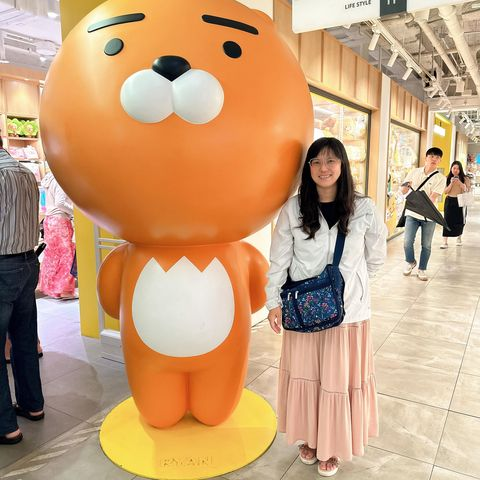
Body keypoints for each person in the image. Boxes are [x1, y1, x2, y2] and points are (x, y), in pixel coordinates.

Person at [265, 137, 387, 476]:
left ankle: (332, 445)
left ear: (343, 165)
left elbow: (376, 255)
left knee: (337, 381)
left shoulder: (363, 208)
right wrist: (273, 302)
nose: (324, 168)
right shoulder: (294, 209)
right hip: (305, 311)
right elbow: (279, 259)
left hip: (348, 315)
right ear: (308, 168)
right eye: (316, 161)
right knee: (308, 376)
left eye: (331, 161)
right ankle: (310, 437)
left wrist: (355, 286)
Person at [0, 138, 45, 445]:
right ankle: (33, 405)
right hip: (28, 262)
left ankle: (6, 426)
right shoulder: (25, 173)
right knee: (25, 339)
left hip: (3, 266)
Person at [400, 147, 446, 281]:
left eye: (437, 157)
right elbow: (403, 191)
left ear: (440, 160)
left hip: (429, 216)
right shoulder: (414, 172)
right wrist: (406, 187)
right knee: (407, 242)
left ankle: (422, 269)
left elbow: (432, 198)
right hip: (412, 213)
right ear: (426, 158)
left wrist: (415, 196)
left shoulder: (441, 178)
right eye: (431, 156)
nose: (434, 159)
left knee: (426, 245)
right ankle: (410, 261)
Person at [38, 172, 76, 299]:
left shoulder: (49, 179)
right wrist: (75, 212)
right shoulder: (61, 180)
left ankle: (52, 288)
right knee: (67, 254)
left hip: (49, 220)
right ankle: (64, 290)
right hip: (60, 221)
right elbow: (60, 203)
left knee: (52, 255)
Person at [440, 161, 470, 249]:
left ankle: (459, 238)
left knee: (460, 220)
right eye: (454, 168)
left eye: (458, 168)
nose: (456, 170)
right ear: (451, 169)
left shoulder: (465, 178)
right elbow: (445, 192)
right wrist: (451, 183)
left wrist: (460, 182)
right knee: (447, 220)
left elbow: (467, 190)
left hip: (461, 201)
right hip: (450, 201)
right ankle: (445, 241)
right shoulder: (446, 178)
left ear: (460, 170)